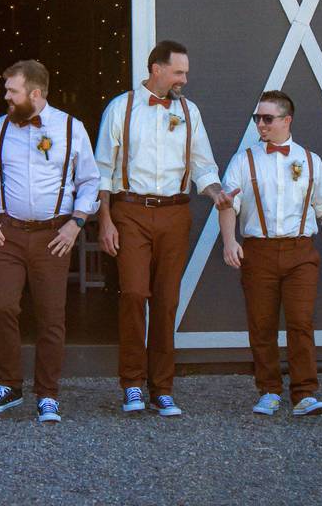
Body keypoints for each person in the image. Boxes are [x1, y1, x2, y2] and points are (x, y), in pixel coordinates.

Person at [94, 40, 234, 416]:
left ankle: (162, 388)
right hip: (131, 211)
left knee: (167, 300)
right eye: (179, 72)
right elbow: (102, 171)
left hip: (175, 212)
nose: (184, 79)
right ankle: (132, 385)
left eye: (185, 72)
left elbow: (203, 165)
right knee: (134, 294)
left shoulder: (190, 111)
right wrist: (104, 219)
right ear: (156, 69)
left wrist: (217, 192)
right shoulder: (120, 108)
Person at [0, 60, 100, 423]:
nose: (6, 96)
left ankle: (48, 394)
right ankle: (9, 385)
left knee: (51, 316)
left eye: (12, 91)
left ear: (35, 93)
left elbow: (90, 182)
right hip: (7, 234)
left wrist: (76, 224)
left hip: (53, 236)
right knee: (2, 306)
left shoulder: (71, 129)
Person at [219, 91, 322, 417]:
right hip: (258, 251)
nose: (260, 124)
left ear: (287, 120)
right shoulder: (244, 160)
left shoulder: (311, 161)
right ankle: (269, 390)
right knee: (262, 324)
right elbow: (229, 203)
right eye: (257, 118)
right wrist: (229, 241)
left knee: (301, 322)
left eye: (267, 118)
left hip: (300, 251)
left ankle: (304, 393)